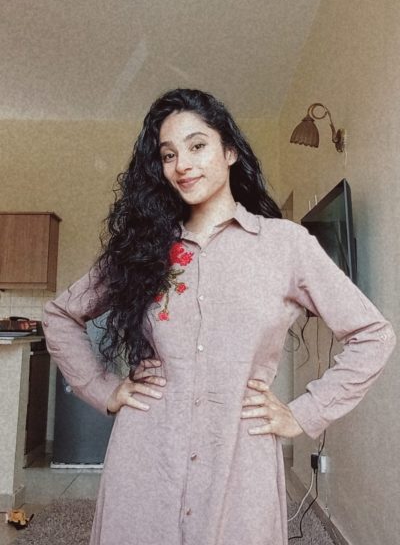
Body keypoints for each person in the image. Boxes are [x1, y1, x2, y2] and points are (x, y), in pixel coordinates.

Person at [42, 88, 396, 545]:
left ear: (229, 151)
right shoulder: (143, 248)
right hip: (148, 454)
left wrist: (304, 414)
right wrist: (103, 389)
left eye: (197, 146)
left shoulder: (285, 245)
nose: (182, 165)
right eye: (168, 155)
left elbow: (372, 334)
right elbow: (60, 315)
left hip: (240, 459)